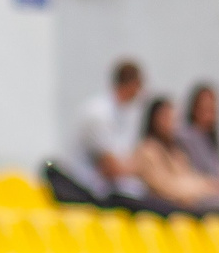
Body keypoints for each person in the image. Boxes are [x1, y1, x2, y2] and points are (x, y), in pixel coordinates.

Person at [47, 57, 146, 208]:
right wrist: (141, 167)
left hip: (99, 190)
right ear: (133, 85)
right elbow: (113, 168)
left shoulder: (122, 114)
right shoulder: (99, 114)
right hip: (81, 189)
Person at [127, 96, 219, 215]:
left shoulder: (176, 153)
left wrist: (212, 186)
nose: (171, 123)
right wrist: (207, 187)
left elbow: (188, 177)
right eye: (166, 117)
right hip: (162, 211)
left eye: (173, 118)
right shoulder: (147, 151)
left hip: (183, 206)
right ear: (154, 120)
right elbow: (166, 188)